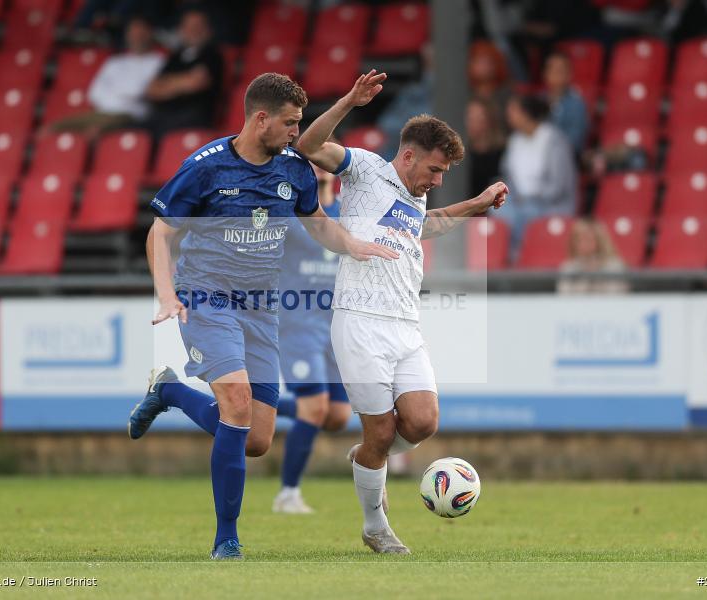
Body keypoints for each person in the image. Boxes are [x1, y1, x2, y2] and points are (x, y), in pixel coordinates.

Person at [127, 73, 397, 560]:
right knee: (235, 401)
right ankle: (225, 539)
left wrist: (354, 245)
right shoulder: (206, 168)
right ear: (260, 118)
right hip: (207, 298)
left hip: (262, 308)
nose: (299, 133)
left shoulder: (293, 169)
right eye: (292, 123)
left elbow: (316, 223)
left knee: (255, 439)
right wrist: (167, 294)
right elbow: (160, 232)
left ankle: (167, 389)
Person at [295, 70, 509, 554]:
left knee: (422, 422)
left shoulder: (417, 195)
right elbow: (309, 145)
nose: (435, 180)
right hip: (360, 321)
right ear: (408, 155)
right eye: (434, 170)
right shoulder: (365, 169)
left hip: (405, 325)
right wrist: (350, 99)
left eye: (441, 176)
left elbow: (424, 226)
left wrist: (474, 204)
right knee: (383, 429)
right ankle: (376, 527)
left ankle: (368, 459)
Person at [272, 165, 351, 514]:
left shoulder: (346, 215)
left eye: (323, 160)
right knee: (315, 407)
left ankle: (253, 402)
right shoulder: (289, 215)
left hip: (337, 328)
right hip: (298, 324)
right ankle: (288, 494)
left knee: (336, 416)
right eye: (310, 161)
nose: (317, 166)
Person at [46, 16, 165, 139]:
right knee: (50, 130)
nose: (136, 37)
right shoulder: (115, 62)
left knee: (93, 133)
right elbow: (95, 92)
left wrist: (116, 93)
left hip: (131, 115)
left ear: (150, 33)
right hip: (102, 113)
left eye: (141, 32)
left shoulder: (159, 62)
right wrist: (122, 96)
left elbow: (141, 92)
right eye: (133, 32)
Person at [499, 94, 577, 256]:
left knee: (526, 213)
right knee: (499, 210)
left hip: (551, 203)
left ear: (526, 113)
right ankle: (508, 260)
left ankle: (522, 257)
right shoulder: (514, 141)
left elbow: (558, 187)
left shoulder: (554, 140)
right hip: (520, 201)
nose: (508, 115)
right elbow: (509, 178)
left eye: (513, 111)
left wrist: (531, 198)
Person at [142, 9, 223, 137]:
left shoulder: (212, 55)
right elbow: (152, 89)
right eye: (189, 26)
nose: (193, 30)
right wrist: (183, 82)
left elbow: (197, 83)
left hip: (194, 117)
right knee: (134, 131)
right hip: (163, 115)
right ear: (181, 29)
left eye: (198, 26)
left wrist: (168, 83)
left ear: (208, 29)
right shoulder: (175, 57)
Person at [557, 218, 629, 294]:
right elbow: (564, 299)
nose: (583, 243)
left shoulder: (614, 267)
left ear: (600, 240)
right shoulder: (568, 268)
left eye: (587, 238)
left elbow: (615, 298)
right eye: (578, 239)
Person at [543, 51, 589, 154]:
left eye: (560, 70)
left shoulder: (577, 105)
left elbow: (575, 142)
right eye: (552, 69)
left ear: (569, 74)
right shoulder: (537, 101)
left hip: (565, 158)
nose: (556, 74)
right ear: (545, 74)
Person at [465, 98, 506, 197]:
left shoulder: (503, 152)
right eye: (470, 118)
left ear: (489, 121)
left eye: (478, 118)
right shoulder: (462, 153)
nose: (472, 123)